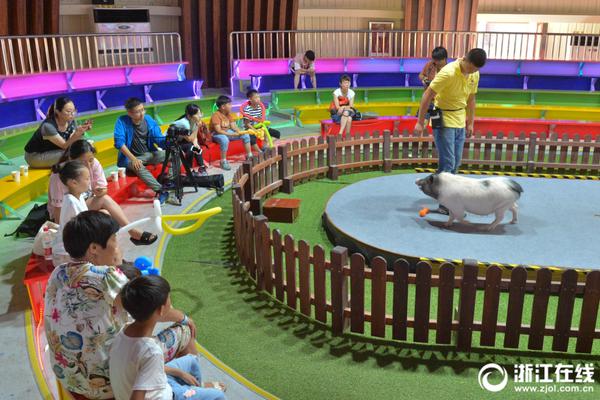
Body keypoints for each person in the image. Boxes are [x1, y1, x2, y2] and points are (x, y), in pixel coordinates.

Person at [44, 211, 198, 400]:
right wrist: (184, 318)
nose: (118, 247)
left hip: (67, 378)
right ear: (94, 248)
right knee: (185, 330)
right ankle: (193, 390)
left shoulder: (58, 273)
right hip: (106, 383)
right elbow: (156, 309)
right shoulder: (107, 277)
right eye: (114, 240)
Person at [110, 275, 226, 400]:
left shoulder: (123, 332)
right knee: (218, 396)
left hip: (160, 385)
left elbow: (143, 370)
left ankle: (197, 388)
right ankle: (192, 392)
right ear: (161, 310)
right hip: (167, 395)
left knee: (191, 361)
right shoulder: (151, 351)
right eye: (169, 298)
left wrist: (179, 373)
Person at [414, 48, 487, 214]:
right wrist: (420, 122)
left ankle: (431, 185)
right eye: (471, 68)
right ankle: (445, 203)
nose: (473, 72)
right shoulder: (448, 73)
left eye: (476, 70)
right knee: (448, 163)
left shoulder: (474, 74)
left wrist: (470, 123)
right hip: (443, 117)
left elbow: (471, 99)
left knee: (455, 163)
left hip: (460, 119)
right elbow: (427, 95)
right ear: (466, 60)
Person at [48, 140, 157, 246]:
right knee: (104, 213)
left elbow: (103, 190)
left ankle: (115, 245)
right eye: (82, 162)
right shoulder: (59, 177)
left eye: (90, 160)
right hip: (67, 214)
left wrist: (99, 191)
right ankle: (128, 234)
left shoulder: (93, 164)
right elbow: (58, 211)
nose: (88, 166)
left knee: (105, 212)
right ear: (71, 159)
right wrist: (62, 237)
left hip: (84, 205)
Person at [114, 97, 176, 205]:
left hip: (149, 154)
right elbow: (119, 143)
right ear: (129, 113)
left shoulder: (148, 120)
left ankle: (168, 181)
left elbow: (158, 139)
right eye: (138, 112)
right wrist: (133, 159)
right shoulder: (122, 121)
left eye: (142, 110)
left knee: (175, 154)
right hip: (131, 158)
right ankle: (161, 190)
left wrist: (170, 143)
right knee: (137, 166)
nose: (142, 114)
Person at [24, 96, 93, 168]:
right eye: (68, 111)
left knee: (85, 147)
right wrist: (77, 134)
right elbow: (65, 146)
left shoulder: (71, 120)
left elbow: (72, 140)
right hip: (35, 156)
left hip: (54, 150)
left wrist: (82, 131)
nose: (72, 114)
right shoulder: (48, 126)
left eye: (74, 111)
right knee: (72, 154)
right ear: (58, 112)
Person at [209, 95, 252, 171]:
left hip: (227, 132)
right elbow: (218, 130)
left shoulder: (228, 114)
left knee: (245, 135)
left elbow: (234, 126)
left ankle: (249, 156)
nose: (231, 106)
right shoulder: (216, 115)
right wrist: (232, 134)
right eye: (229, 104)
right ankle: (223, 161)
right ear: (223, 107)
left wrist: (240, 132)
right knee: (224, 139)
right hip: (216, 134)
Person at [172, 104, 209, 176]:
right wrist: (197, 126)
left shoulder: (193, 120)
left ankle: (201, 167)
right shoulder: (184, 124)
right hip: (172, 143)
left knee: (197, 147)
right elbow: (189, 139)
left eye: (200, 113)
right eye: (197, 114)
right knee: (191, 147)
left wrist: (196, 143)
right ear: (189, 116)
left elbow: (193, 137)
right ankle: (189, 170)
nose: (200, 116)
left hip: (182, 140)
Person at [418, 47, 448, 125]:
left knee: (436, 125)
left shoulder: (449, 70)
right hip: (427, 99)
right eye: (434, 60)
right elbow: (421, 75)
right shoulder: (430, 65)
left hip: (439, 103)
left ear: (445, 59)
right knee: (421, 124)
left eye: (438, 60)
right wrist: (424, 79)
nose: (436, 62)